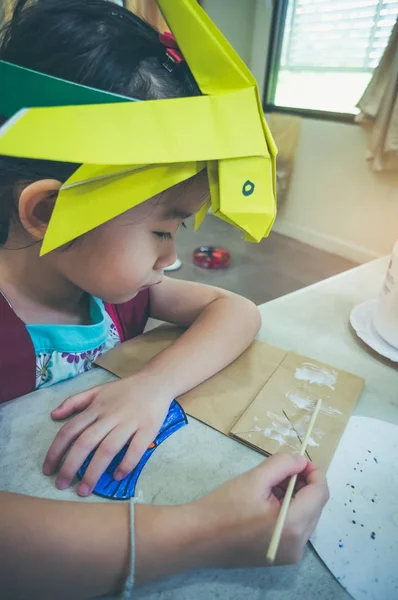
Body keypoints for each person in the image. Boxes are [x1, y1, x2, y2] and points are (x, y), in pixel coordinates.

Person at [0, 1, 329, 598]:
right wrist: (196, 534)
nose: (170, 258)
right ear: (49, 212)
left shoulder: (114, 294)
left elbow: (237, 311)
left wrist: (152, 385)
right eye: (162, 229)